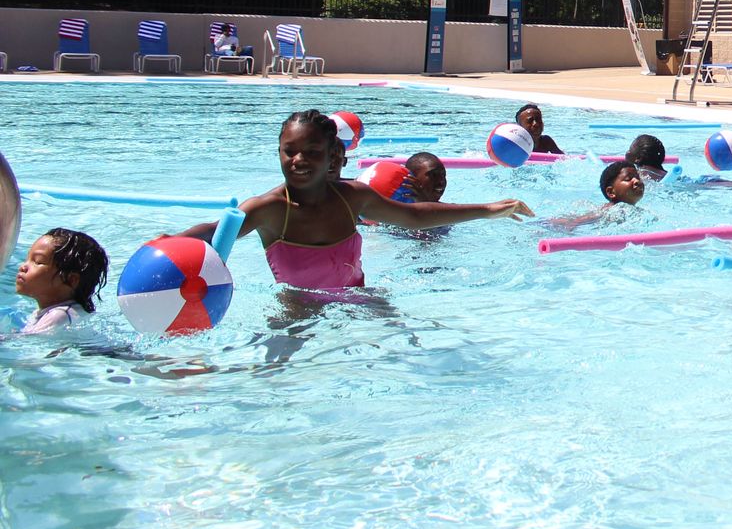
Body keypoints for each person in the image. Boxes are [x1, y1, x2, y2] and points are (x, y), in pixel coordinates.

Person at [176, 110, 533, 290]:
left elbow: (412, 216)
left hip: (361, 301)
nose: (298, 160)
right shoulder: (270, 209)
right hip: (298, 311)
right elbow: (213, 231)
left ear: (334, 157)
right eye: (290, 151)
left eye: (311, 151)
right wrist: (166, 246)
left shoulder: (352, 197)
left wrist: (488, 210)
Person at [13, 228, 108, 336]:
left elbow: (26, 341)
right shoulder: (53, 312)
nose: (23, 267)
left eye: (38, 261)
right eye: (27, 259)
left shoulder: (59, 315)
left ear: (71, 280)